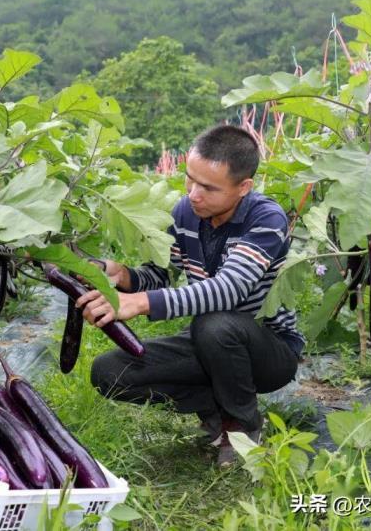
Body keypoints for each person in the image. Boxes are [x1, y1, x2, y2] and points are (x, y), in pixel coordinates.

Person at [75, 124, 305, 467]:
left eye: (208, 187)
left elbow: (229, 290)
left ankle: (243, 424)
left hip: (268, 350)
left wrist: (138, 304)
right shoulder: (186, 213)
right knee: (109, 371)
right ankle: (216, 407)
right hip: (208, 342)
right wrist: (121, 275)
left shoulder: (266, 219)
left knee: (216, 324)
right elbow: (159, 274)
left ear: (243, 187)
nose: (193, 194)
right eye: (189, 179)